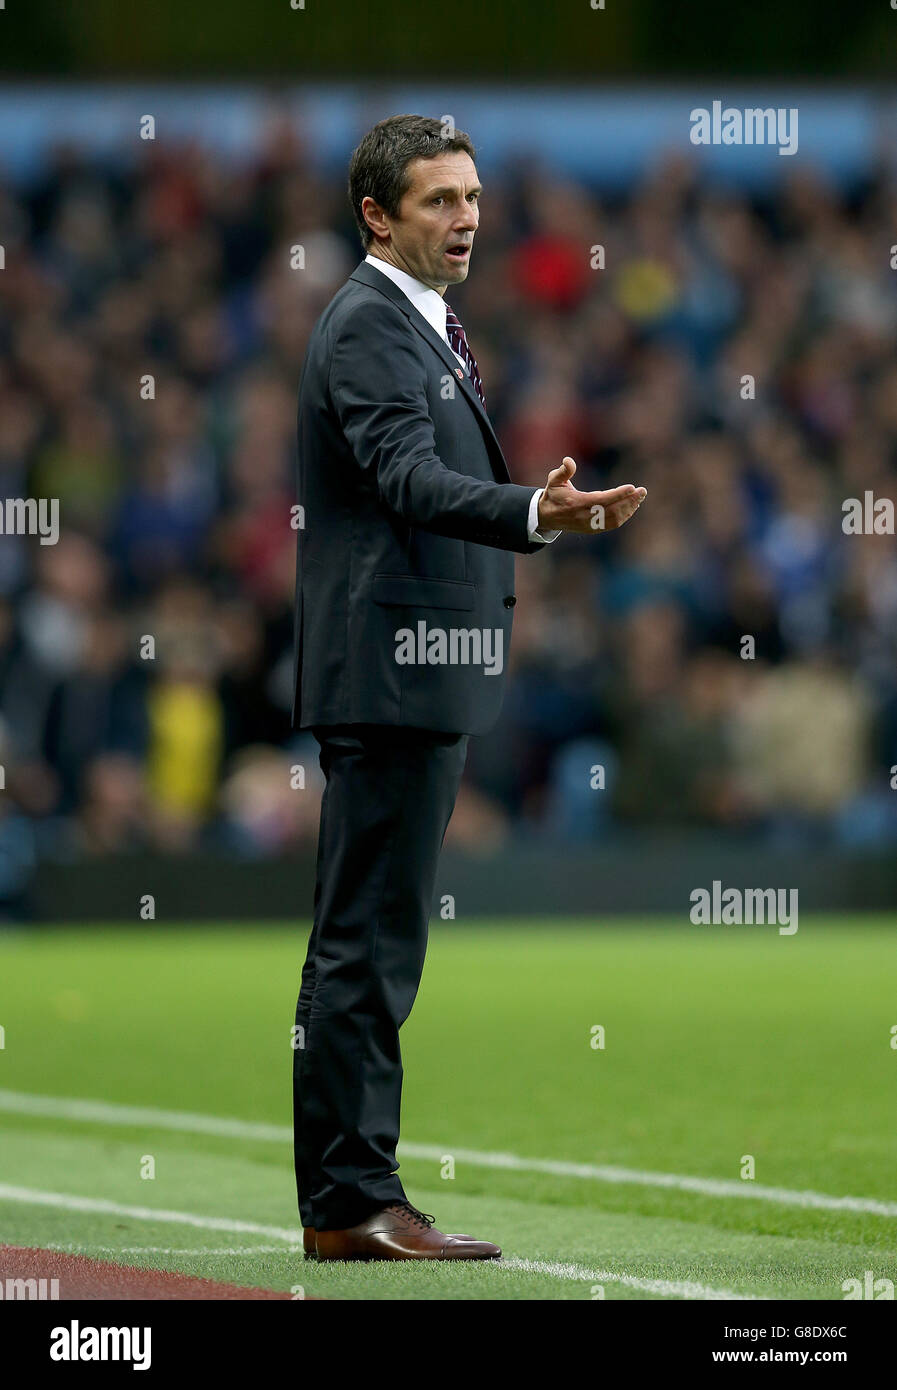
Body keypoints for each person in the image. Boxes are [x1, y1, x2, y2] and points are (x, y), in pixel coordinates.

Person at [291, 114, 647, 1262]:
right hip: (388, 676)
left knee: (377, 938)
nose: (467, 219)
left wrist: (528, 520)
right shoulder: (368, 329)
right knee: (367, 944)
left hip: (418, 676)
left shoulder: (421, 324)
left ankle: (355, 1193)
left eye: (474, 196)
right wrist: (536, 512)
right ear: (377, 216)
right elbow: (404, 476)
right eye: (439, 200)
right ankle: (350, 1201)